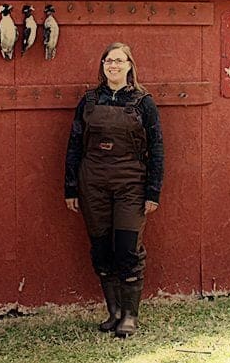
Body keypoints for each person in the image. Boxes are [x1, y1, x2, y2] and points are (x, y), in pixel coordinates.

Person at [64, 42, 164, 337]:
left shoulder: (143, 102)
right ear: (103, 66)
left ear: (130, 65)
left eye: (119, 61)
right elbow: (73, 146)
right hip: (92, 183)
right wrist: (71, 188)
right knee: (101, 248)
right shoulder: (89, 100)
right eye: (109, 61)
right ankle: (114, 312)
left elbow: (157, 148)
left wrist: (153, 191)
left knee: (127, 248)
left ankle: (130, 316)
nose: (114, 66)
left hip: (130, 185)